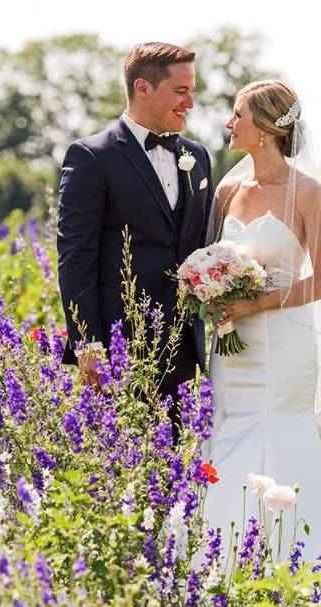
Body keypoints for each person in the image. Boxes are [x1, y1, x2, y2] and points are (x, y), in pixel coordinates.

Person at [201, 80, 321, 606]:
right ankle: (224, 570)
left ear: (265, 128)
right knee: (230, 435)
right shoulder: (227, 193)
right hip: (234, 345)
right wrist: (209, 294)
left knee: (285, 436)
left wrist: (257, 303)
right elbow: (211, 262)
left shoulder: (308, 193)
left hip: (285, 345)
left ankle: (312, 576)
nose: (229, 125)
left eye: (238, 116)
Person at [56, 42, 214, 408]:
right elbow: (75, 257)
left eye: (191, 92)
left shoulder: (198, 156)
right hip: (119, 348)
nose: (189, 103)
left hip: (187, 345)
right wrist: (88, 344)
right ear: (143, 88)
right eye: (180, 91)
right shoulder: (91, 157)